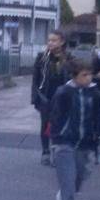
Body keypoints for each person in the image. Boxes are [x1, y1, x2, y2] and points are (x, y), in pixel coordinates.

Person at [49, 59, 100, 200]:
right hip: (64, 141)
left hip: (85, 142)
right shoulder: (63, 92)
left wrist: (98, 134)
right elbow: (55, 116)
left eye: (90, 74)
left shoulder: (95, 94)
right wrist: (56, 138)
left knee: (79, 177)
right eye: (84, 75)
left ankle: (65, 195)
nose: (88, 78)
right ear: (74, 76)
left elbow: (99, 116)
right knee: (67, 179)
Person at [31, 30, 70, 166]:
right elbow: (35, 79)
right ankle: (46, 152)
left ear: (62, 42)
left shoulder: (69, 58)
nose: (50, 43)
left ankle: (56, 153)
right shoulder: (42, 58)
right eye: (49, 40)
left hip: (62, 98)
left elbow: (73, 78)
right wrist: (35, 98)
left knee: (59, 126)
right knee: (45, 125)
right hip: (45, 98)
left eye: (54, 40)